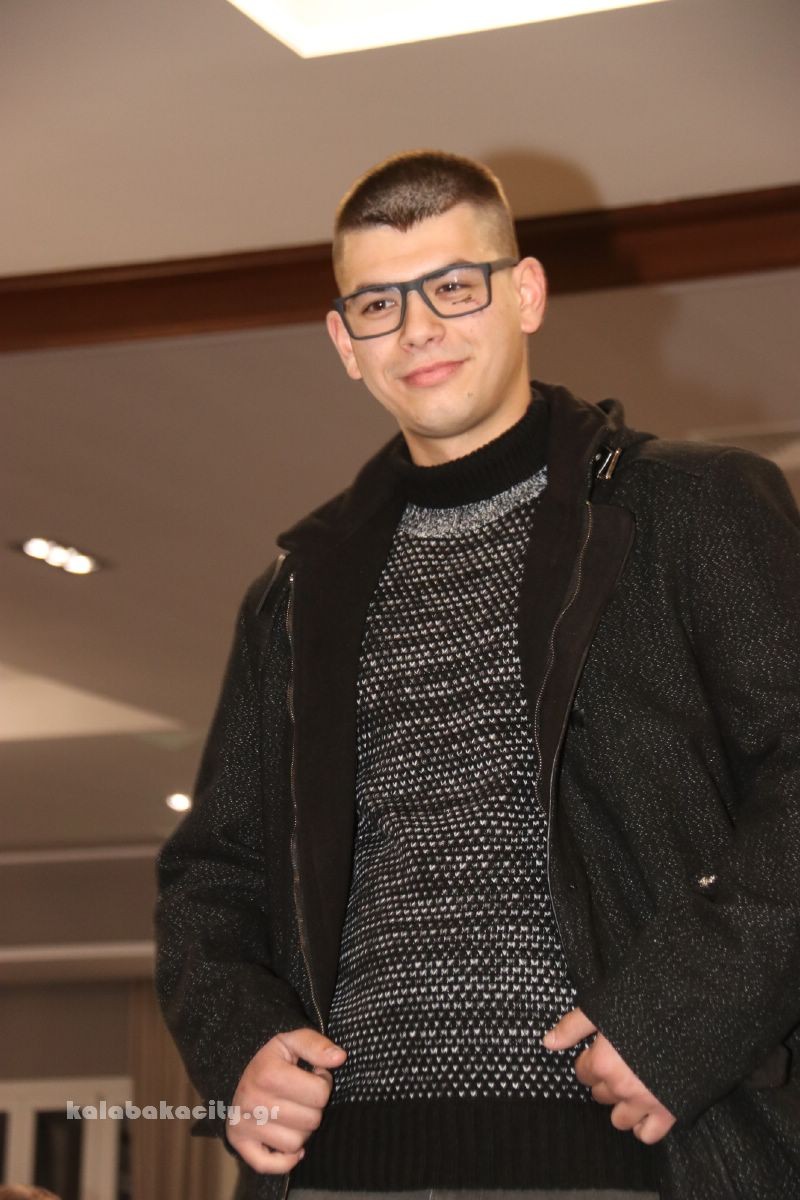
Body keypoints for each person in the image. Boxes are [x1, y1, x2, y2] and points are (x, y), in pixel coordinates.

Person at [155, 151, 800, 1200]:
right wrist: (239, 1042)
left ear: (525, 294)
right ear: (345, 342)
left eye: (453, 287)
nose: (418, 329)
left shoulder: (694, 508)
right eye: (379, 303)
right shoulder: (295, 593)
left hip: (628, 1154)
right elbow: (211, 877)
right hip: (342, 1167)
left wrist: (682, 1018)